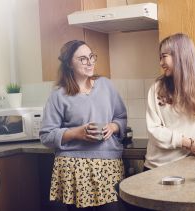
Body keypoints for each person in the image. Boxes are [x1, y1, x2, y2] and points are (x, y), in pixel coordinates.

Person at [40, 40, 127, 211]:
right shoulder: (58, 95)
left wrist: (113, 127)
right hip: (73, 167)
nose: (90, 62)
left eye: (91, 57)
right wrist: (75, 133)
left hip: (107, 164)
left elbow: (121, 118)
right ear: (69, 64)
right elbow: (46, 136)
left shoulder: (106, 85)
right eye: (82, 59)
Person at [144, 33, 195, 170]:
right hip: (157, 168)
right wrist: (189, 143)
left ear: (180, 56)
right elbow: (154, 131)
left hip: (191, 165)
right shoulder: (156, 89)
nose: (161, 63)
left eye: (164, 56)